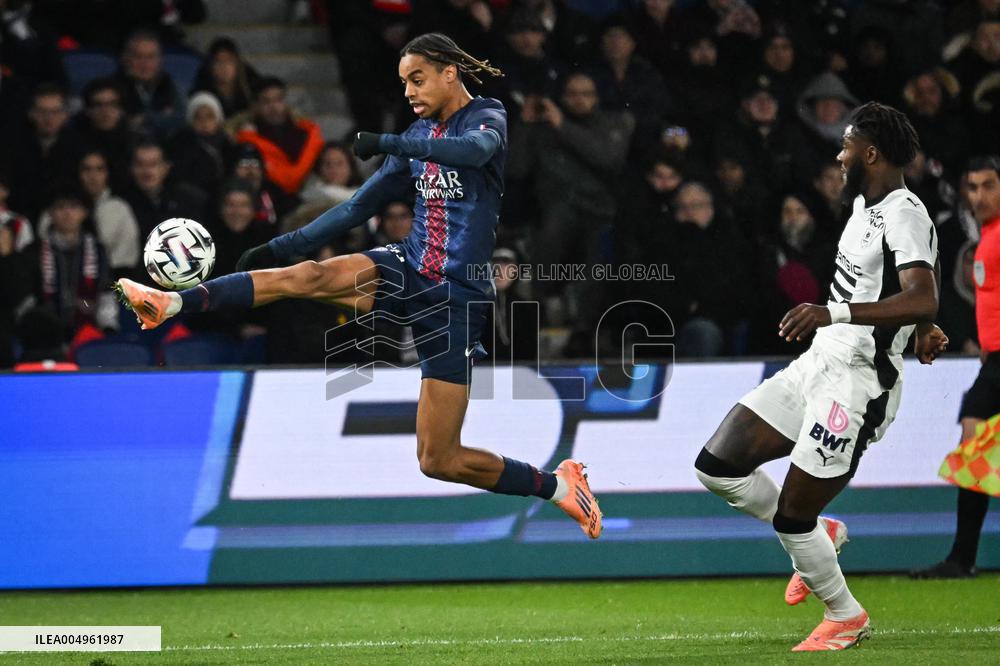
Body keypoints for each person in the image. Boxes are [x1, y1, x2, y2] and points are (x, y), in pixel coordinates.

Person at [113, 32, 602, 539]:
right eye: (403, 83)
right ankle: (170, 301)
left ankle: (557, 485)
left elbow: (475, 152)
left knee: (438, 458)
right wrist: (283, 246)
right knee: (311, 275)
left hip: (455, 298)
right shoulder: (417, 137)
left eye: (418, 79)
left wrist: (390, 142)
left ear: (449, 74)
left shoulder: (485, 117)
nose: (409, 91)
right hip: (406, 265)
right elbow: (355, 208)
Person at [693, 102, 948, 651]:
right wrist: (924, 327)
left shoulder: (905, 211)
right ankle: (822, 537)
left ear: (872, 153)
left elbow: (923, 289)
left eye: (847, 143)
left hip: (858, 382)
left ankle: (845, 615)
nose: (840, 153)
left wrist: (843, 313)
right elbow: (912, 282)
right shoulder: (864, 204)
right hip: (819, 361)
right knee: (717, 466)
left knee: (792, 515)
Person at [911, 155, 1000, 579]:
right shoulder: (987, 236)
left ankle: (962, 557)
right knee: (974, 445)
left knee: (974, 442)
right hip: (994, 360)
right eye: (972, 187)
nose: (978, 196)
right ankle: (961, 557)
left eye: (988, 186)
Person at [232, 77, 324, 197]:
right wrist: (247, 137)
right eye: (266, 101)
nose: (274, 107)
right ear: (255, 107)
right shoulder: (247, 143)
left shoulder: (307, 133)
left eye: (279, 100)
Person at [113, 30, 185, 139]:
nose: (145, 63)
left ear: (160, 60)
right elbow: (117, 124)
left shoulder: (171, 85)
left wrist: (145, 118)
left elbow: (181, 119)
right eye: (138, 57)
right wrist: (162, 117)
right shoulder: (111, 87)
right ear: (126, 59)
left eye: (151, 57)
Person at [192, 37, 261, 118]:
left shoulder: (252, 85)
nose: (224, 67)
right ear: (210, 66)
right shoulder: (201, 91)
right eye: (218, 61)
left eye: (229, 61)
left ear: (237, 64)